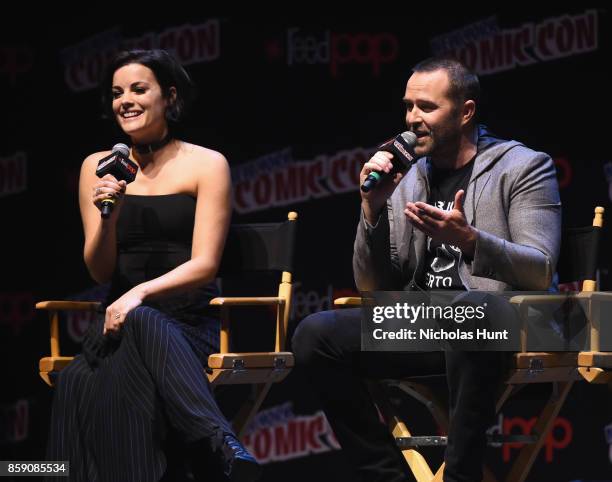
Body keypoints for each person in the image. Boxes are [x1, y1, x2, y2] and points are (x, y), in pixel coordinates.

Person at [292, 57, 561, 482]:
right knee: (315, 335)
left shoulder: (524, 166)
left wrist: (470, 240)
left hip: (498, 326)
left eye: (426, 107)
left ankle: (460, 477)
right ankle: (385, 475)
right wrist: (373, 208)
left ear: (466, 112)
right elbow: (371, 286)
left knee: (474, 310)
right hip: (424, 323)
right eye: (407, 107)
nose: (412, 119)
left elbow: (541, 268)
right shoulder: (408, 174)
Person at [47, 49, 261, 482]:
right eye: (116, 93)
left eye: (138, 89)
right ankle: (217, 445)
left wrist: (139, 293)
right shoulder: (97, 169)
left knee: (140, 323)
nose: (125, 100)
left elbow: (204, 264)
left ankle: (213, 443)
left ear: (170, 96)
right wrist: (109, 213)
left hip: (188, 326)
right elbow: (100, 272)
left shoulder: (206, 163)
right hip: (119, 327)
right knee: (79, 385)